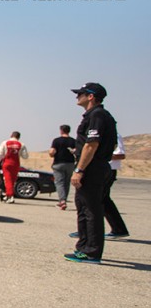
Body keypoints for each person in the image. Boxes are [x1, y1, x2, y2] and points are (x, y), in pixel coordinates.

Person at [65, 82, 118, 264]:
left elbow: (92, 144)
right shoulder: (97, 116)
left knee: (91, 209)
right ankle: (84, 247)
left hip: (92, 168)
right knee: (83, 207)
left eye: (80, 93)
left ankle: (92, 252)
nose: (77, 96)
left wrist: (80, 169)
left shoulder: (97, 115)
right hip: (93, 166)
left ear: (91, 97)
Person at [0, 131, 29, 203]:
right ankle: (8, 196)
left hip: (7, 164)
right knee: (12, 181)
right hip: (16, 164)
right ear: (18, 137)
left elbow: (0, 154)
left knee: (7, 180)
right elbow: (25, 156)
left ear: (11, 135)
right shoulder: (21, 144)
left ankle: (10, 196)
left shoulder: (4, 143)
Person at [49, 124, 76, 210]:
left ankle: (62, 201)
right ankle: (64, 199)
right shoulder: (73, 141)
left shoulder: (57, 140)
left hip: (59, 163)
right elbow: (76, 151)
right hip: (70, 163)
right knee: (66, 182)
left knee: (59, 182)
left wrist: (51, 154)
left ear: (61, 130)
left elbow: (52, 152)